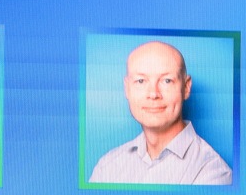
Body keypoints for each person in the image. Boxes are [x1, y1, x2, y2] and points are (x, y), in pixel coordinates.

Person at [89, 40, 231, 186]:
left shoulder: (213, 173)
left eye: (167, 81)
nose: (153, 94)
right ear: (127, 88)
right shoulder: (107, 166)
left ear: (186, 87)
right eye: (141, 81)